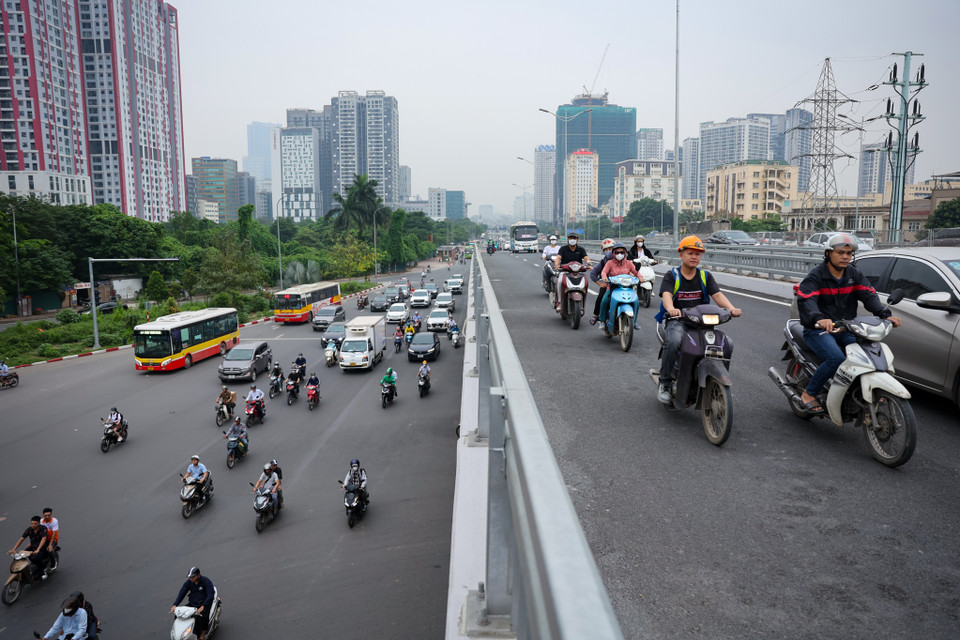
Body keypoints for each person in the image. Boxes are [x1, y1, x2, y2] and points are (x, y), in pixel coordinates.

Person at [795, 232, 901, 413]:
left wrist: (884, 314)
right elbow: (807, 301)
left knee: (865, 355)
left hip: (846, 328)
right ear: (828, 253)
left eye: (849, 253)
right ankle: (809, 393)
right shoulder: (817, 276)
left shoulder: (854, 274)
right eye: (840, 252)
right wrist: (819, 319)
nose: (845, 257)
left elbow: (868, 295)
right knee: (836, 358)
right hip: (819, 330)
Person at [656, 235, 742, 404]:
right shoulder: (672, 275)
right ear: (681, 254)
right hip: (678, 321)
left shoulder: (705, 276)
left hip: (702, 323)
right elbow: (666, 295)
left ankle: (716, 382)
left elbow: (717, 295)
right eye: (690, 253)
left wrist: (731, 309)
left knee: (728, 344)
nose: (694, 257)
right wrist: (671, 309)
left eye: (698, 254)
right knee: (673, 342)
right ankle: (664, 383)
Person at [599, 243, 641, 327]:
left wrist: (641, 278)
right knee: (604, 301)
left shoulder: (628, 263)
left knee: (636, 302)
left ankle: (635, 322)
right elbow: (604, 272)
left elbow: (636, 272)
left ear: (625, 253)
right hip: (613, 287)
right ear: (613, 253)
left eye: (621, 252)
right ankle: (602, 320)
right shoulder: (609, 263)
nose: (619, 254)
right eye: (617, 252)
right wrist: (604, 277)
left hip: (627, 287)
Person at [171, 567, 215, 640]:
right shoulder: (189, 582)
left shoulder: (206, 581)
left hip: (204, 604)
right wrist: (175, 605)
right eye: (190, 577)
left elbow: (210, 595)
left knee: (204, 617)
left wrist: (203, 606)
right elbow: (182, 593)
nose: (191, 579)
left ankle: (203, 633)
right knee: (178, 615)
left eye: (193, 577)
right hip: (193, 604)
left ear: (198, 575)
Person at [8, 515, 49, 579]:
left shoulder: (43, 529)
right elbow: (21, 539)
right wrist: (13, 549)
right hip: (32, 546)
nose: (33, 525)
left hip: (42, 547)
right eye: (32, 523)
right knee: (19, 556)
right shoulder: (29, 529)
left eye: (35, 524)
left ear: (39, 523)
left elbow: (43, 539)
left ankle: (42, 572)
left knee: (37, 558)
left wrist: (38, 549)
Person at [589, 238, 616, 324]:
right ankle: (596, 314)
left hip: (621, 284)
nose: (608, 251)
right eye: (606, 249)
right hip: (608, 285)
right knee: (601, 297)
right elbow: (593, 273)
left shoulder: (623, 260)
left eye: (610, 249)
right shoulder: (603, 262)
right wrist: (600, 283)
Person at [41, 507, 59, 573]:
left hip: (53, 539)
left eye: (49, 515)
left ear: (51, 514)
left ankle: (53, 563)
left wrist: (50, 544)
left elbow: (54, 533)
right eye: (45, 515)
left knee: (49, 550)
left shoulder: (54, 521)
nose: (47, 517)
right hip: (44, 539)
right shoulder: (41, 521)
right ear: (43, 515)